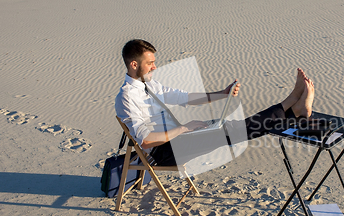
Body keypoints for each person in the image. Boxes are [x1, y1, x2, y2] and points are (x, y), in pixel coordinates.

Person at [115, 39, 314, 166]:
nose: (155, 67)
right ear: (134, 64)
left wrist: (223, 93)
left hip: (179, 139)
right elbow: (146, 140)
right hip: (165, 152)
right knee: (233, 130)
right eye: (150, 63)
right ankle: (292, 108)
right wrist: (184, 128)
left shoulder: (150, 85)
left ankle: (292, 108)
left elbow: (185, 97)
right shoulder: (127, 97)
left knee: (231, 128)